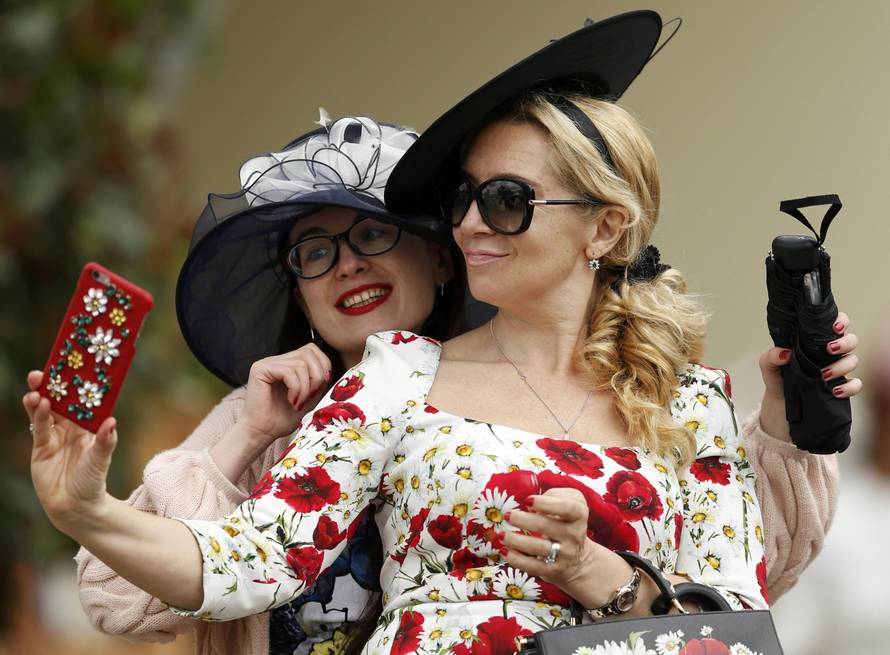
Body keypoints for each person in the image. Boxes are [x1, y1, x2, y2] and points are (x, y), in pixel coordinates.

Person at [24, 13, 861, 655]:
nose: (470, 223)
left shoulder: (689, 403)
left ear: (604, 228)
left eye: (505, 200)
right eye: (461, 200)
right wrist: (85, 509)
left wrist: (596, 573)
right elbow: (245, 562)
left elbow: (731, 630)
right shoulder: (394, 375)